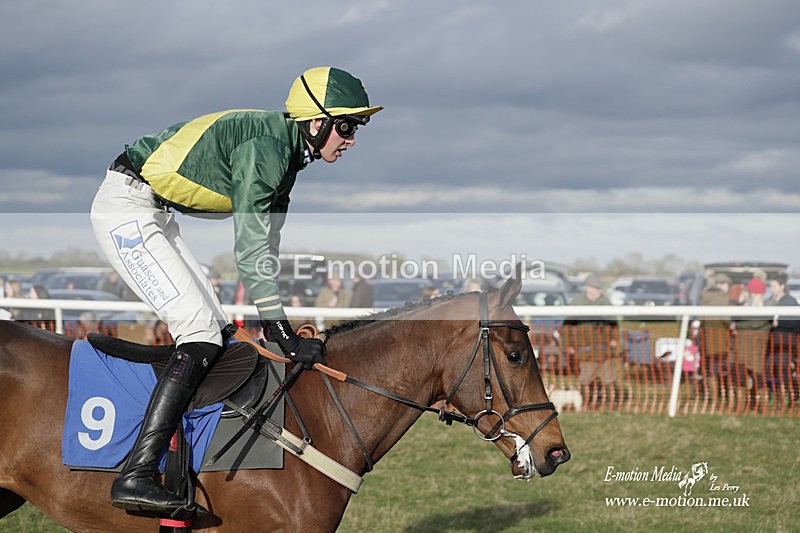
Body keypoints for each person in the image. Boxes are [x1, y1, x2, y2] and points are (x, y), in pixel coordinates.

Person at [90, 66, 381, 513]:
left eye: (355, 128)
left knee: (219, 334)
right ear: (316, 121)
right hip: (126, 209)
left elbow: (267, 247)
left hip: (154, 212)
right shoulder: (266, 149)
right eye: (345, 127)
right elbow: (248, 250)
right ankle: (137, 472)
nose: (351, 139)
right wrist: (280, 330)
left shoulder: (288, 158)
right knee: (200, 332)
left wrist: (276, 322)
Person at [560, 274, 622, 408]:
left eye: (599, 289)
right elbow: (567, 327)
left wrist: (614, 339)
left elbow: (614, 325)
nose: (597, 291)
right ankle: (585, 402)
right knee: (586, 378)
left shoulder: (606, 303)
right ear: (588, 288)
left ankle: (610, 403)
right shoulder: (577, 303)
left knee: (608, 378)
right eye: (595, 288)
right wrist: (567, 345)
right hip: (585, 349)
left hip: (605, 350)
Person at [734, 278, 771, 410]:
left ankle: (756, 406)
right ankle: (749, 406)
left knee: (754, 377)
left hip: (752, 348)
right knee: (748, 377)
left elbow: (746, 324)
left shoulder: (763, 308)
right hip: (751, 348)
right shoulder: (757, 307)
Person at [699, 273, 733, 410]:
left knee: (712, 371)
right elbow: (726, 319)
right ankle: (726, 399)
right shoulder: (723, 298)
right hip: (723, 339)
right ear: (723, 284)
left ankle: (714, 400)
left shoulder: (704, 298)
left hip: (708, 339)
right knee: (728, 370)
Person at [766, 273, 800, 407]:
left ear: (782, 286)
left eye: (774, 286)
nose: (772, 288)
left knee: (782, 369)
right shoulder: (771, 301)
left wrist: (779, 323)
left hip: (786, 341)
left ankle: (791, 396)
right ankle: (779, 397)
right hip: (773, 342)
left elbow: (797, 323)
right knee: (770, 368)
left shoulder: (790, 302)